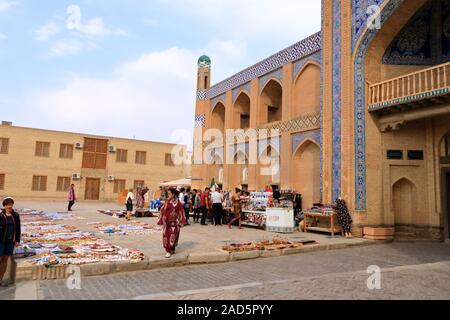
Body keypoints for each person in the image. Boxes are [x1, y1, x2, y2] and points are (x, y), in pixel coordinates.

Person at [157, 188, 187, 258]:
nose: (168, 195)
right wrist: (160, 219)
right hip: (166, 223)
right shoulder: (167, 201)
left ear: (173, 194)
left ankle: (169, 250)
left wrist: (182, 221)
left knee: (172, 235)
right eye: (168, 193)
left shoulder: (178, 203)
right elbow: (162, 209)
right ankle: (169, 250)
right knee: (166, 236)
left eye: (169, 193)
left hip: (174, 223)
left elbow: (181, 212)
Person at [0, 197, 21, 287]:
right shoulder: (1, 215)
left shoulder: (15, 215)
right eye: (7, 204)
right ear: (4, 206)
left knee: (5, 260)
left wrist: (17, 240)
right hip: (1, 241)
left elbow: (18, 228)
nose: (9, 206)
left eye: (10, 204)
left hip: (10, 242)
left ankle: (0, 279)